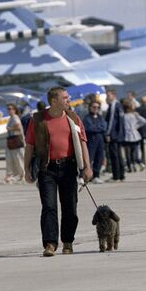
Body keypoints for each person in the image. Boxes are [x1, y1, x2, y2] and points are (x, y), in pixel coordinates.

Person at [24, 86, 92, 257]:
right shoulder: (38, 120)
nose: (69, 100)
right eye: (65, 97)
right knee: (49, 207)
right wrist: (26, 170)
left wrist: (87, 167)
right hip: (47, 169)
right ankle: (50, 244)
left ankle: (67, 241)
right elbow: (30, 145)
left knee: (70, 208)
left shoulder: (74, 118)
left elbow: (83, 142)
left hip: (69, 168)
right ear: (54, 101)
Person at [83, 100, 107, 184]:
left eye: (98, 107)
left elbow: (104, 126)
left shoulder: (101, 117)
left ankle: (96, 176)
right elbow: (88, 128)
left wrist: (96, 127)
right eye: (94, 107)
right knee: (89, 158)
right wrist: (98, 128)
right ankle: (83, 176)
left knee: (99, 158)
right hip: (91, 140)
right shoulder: (87, 118)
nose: (96, 108)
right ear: (90, 108)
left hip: (100, 140)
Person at [105, 88, 125, 182]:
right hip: (118, 134)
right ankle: (121, 175)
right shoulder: (118, 105)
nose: (107, 97)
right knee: (119, 155)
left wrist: (108, 133)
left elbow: (112, 122)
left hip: (114, 135)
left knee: (114, 156)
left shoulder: (114, 106)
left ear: (114, 96)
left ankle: (116, 176)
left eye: (108, 95)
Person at [122, 99, 146, 172]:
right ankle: (137, 163)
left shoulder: (123, 116)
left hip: (126, 135)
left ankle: (131, 166)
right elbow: (144, 121)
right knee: (134, 151)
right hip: (135, 134)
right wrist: (136, 126)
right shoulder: (134, 114)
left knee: (128, 153)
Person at [4, 103, 25, 184]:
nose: (9, 110)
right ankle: (19, 175)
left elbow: (18, 127)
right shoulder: (11, 118)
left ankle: (22, 174)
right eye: (8, 109)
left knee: (18, 158)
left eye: (10, 109)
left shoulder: (15, 117)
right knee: (15, 158)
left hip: (16, 141)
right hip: (13, 141)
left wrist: (10, 128)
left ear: (14, 110)